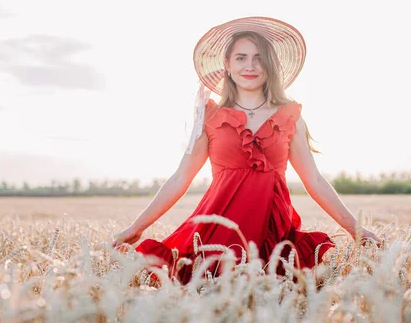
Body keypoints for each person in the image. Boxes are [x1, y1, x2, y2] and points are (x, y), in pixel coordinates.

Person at [110, 16, 380, 285]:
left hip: (272, 236)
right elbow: (180, 179)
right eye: (241, 58)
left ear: (270, 65)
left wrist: (355, 229)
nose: (250, 66)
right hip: (216, 234)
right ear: (226, 65)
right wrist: (137, 227)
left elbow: (315, 180)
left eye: (259, 57)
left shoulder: (289, 116)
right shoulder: (210, 117)